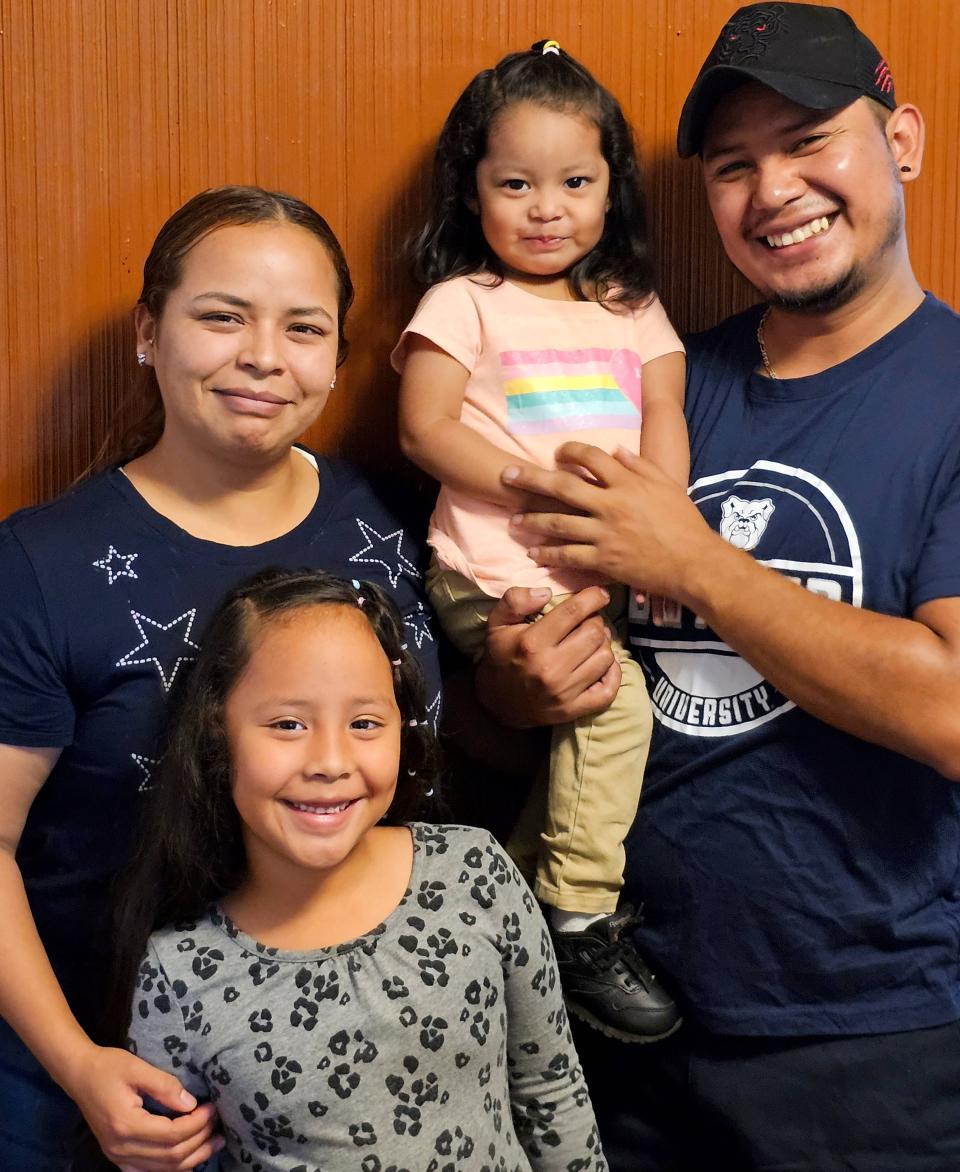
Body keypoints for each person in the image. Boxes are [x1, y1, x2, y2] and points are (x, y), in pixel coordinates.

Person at [484, 3, 960, 1168]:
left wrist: (691, 558)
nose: (774, 189)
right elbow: (543, 657)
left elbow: (953, 710)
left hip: (870, 1034)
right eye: (734, 167)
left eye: (809, 142)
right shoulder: (662, 385)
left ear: (902, 140)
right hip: (622, 1001)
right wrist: (517, 684)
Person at [0, 186, 440, 1171]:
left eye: (303, 327)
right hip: (94, 1078)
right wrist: (77, 1062)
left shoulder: (393, 516)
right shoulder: (39, 563)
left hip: (345, 1066)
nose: (263, 358)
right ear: (150, 333)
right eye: (222, 316)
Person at [110, 567, 607, 1171]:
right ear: (219, 732)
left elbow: (552, 1096)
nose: (330, 761)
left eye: (365, 723)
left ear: (402, 725)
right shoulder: (178, 975)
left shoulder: (473, 873)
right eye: (288, 724)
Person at [392, 39, 686, 1044]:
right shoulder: (463, 302)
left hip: (598, 581)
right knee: (614, 706)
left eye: (574, 181)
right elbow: (425, 428)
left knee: (575, 753)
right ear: (473, 191)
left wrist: (660, 526)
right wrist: (534, 481)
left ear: (613, 191)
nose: (546, 206)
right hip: (489, 569)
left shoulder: (631, 308)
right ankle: (577, 911)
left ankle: (501, 926)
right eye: (515, 182)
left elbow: (667, 421)